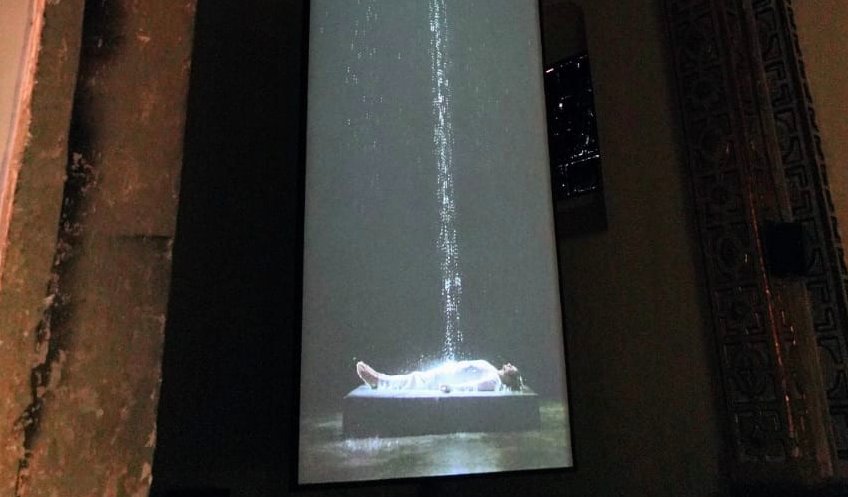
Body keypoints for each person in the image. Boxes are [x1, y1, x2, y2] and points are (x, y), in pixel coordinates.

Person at [356, 359, 522, 392]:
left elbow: (474, 386)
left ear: (511, 378)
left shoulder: (494, 380)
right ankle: (379, 379)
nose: (509, 364)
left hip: (445, 380)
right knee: (415, 378)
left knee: (414, 380)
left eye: (512, 367)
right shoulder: (492, 370)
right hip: (446, 373)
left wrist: (452, 388)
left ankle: (379, 380)